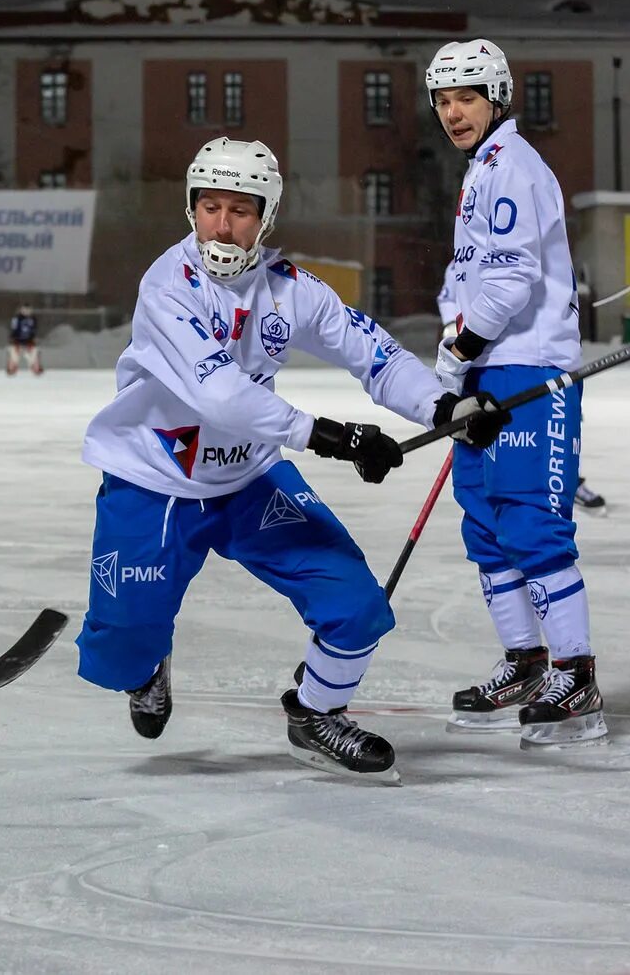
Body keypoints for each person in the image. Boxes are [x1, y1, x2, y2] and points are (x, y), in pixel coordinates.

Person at [76, 137, 506, 782]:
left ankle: (315, 714)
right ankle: (146, 665)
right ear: (190, 208)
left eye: (241, 210)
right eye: (210, 207)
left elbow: (377, 357)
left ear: (266, 216)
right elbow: (219, 394)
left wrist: (443, 410)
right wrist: (332, 436)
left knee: (355, 604)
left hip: (249, 480)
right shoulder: (167, 286)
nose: (223, 225)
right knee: (122, 646)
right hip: (153, 481)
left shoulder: (290, 289)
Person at [426, 39, 607, 746]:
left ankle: (577, 672)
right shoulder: (480, 172)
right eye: (442, 101)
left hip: (531, 370)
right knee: (484, 525)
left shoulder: (514, 167)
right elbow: (465, 278)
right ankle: (527, 662)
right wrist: (456, 353)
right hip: (487, 371)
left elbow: (510, 279)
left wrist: (460, 349)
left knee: (531, 524)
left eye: (466, 97)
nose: (453, 112)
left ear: (496, 97)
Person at [444, 269, 607, 517]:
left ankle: (564, 478)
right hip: (480, 364)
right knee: (482, 506)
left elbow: (514, 279)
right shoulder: (458, 260)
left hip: (528, 358)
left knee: (538, 455)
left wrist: (462, 349)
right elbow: (448, 299)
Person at [6, 304, 42, 375]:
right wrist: (13, 338)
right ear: (21, 310)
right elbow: (13, 329)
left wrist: (33, 338)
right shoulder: (16, 318)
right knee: (14, 355)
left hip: (29, 341)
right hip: (17, 341)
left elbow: (34, 330)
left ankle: (35, 367)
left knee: (33, 354)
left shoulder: (33, 319)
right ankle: (11, 368)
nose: (26, 311)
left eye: (28, 310)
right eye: (25, 310)